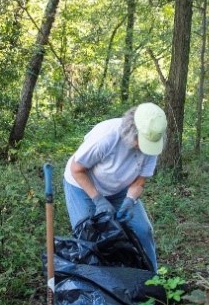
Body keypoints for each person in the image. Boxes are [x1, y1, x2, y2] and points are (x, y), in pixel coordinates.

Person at [62, 103, 167, 272]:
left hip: (119, 190)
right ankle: (96, 284)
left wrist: (129, 200)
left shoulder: (152, 145)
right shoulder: (107, 136)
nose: (144, 149)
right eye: (141, 142)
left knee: (142, 230)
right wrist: (98, 200)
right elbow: (77, 169)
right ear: (132, 132)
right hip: (81, 186)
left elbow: (139, 182)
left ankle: (150, 278)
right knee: (89, 235)